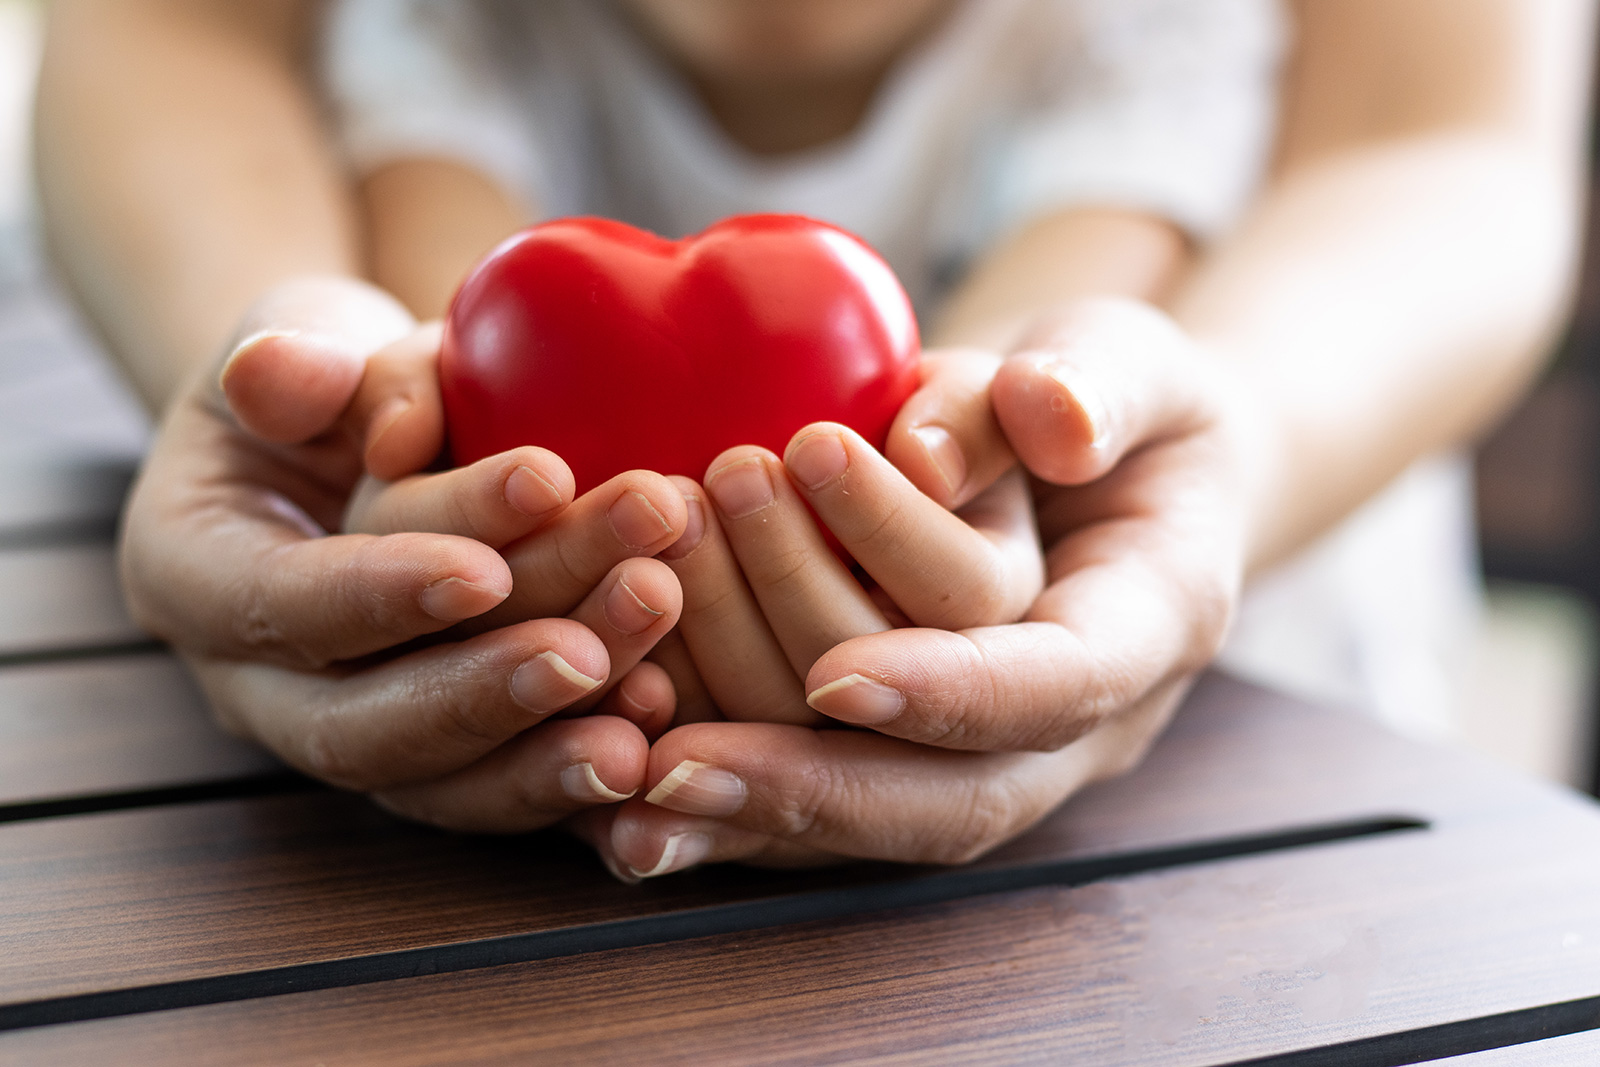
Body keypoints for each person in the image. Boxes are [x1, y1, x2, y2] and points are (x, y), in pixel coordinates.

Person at [34, 0, 1594, 879]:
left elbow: (1439, 146)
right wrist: (294, 374)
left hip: (1244, 790)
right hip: (414, 862)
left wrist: (1173, 451)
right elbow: (433, 347)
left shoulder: (1147, 51)